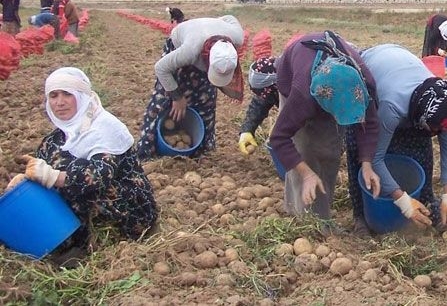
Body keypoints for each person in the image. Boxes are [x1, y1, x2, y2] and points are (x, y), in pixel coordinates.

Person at [4, 67, 157, 265]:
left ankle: (84, 244)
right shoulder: (56, 139)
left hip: (128, 209)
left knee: (71, 186)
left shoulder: (106, 128)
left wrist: (52, 177)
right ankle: (58, 240)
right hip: (86, 208)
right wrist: (26, 182)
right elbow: (43, 168)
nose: (60, 102)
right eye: (53, 95)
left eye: (67, 94)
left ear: (82, 96)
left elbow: (98, 177)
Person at [346, 44, 447, 234]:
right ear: (423, 118)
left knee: (420, 149)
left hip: (406, 83)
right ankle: (361, 216)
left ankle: (424, 202)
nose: (437, 133)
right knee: (362, 152)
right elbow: (375, 158)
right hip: (372, 76)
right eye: (433, 129)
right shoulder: (391, 105)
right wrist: (403, 201)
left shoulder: (442, 104)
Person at [267, 31, 379, 222]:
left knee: (329, 150)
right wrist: (307, 174)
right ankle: (300, 216)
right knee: (303, 148)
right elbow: (279, 138)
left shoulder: (362, 84)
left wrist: (367, 164)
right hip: (294, 74)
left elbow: (370, 123)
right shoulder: (302, 96)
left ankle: (321, 216)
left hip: (332, 80)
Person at [135, 15, 244, 161]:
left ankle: (202, 151)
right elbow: (161, 68)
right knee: (161, 100)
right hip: (181, 43)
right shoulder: (188, 51)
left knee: (207, 100)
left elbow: (230, 17)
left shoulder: (237, 38)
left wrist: (213, 23)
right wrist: (177, 97)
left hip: (206, 43)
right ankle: (146, 152)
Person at [237, 56, 280, 156]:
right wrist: (247, 130)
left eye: (265, 92)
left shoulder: (299, 83)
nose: (264, 95)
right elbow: (259, 104)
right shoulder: (272, 85)